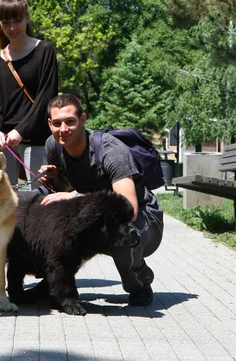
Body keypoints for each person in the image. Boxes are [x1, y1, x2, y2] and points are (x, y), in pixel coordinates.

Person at [38, 94, 164, 306]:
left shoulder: (110, 150)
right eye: (57, 123)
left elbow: (128, 210)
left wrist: (73, 196)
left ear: (83, 119)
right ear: (50, 124)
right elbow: (58, 193)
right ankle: (57, 282)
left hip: (143, 219)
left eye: (70, 121)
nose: (63, 129)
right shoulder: (53, 145)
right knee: (40, 203)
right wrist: (53, 180)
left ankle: (140, 281)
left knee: (122, 233)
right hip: (94, 212)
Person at [0, 0, 58, 189]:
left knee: (42, 197)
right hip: (4, 141)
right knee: (4, 201)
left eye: (16, 20)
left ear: (27, 18)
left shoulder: (45, 51)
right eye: (6, 22)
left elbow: (46, 98)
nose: (12, 27)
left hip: (37, 138)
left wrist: (21, 130)